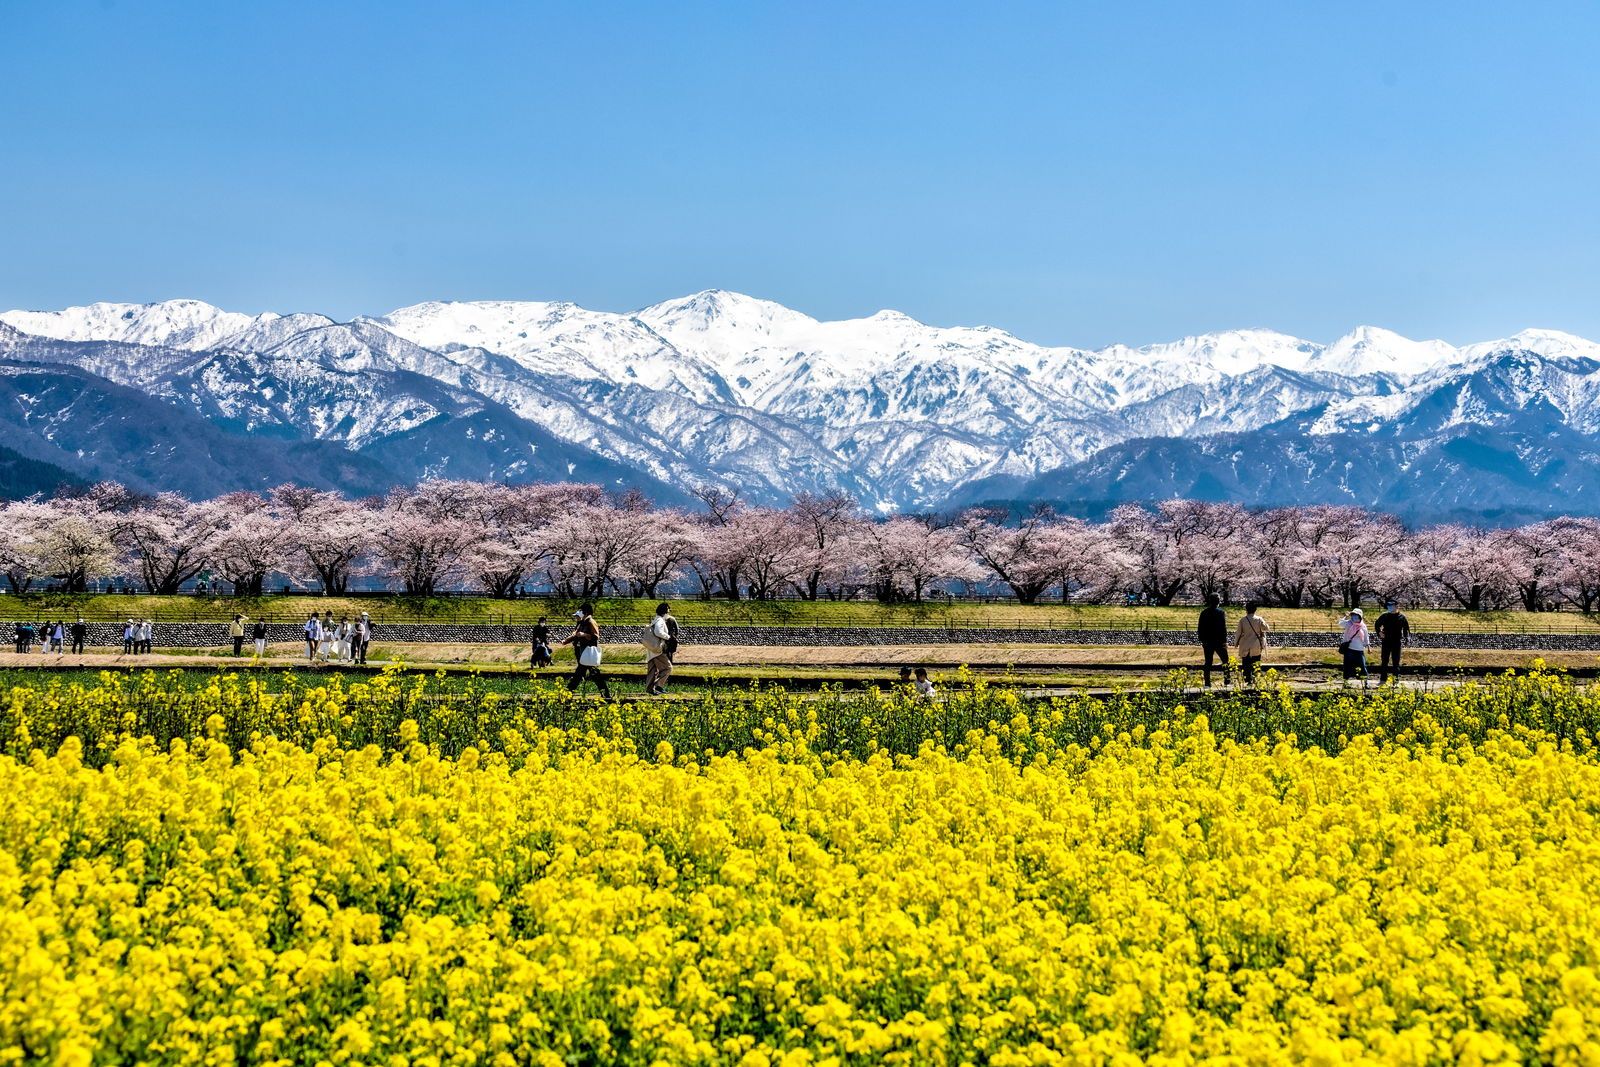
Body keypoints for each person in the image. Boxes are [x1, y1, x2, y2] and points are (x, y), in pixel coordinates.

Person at [561, 603, 611, 699]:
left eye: (582, 611)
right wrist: (566, 641)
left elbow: (596, 636)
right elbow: (576, 635)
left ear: (586, 612)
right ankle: (605, 694)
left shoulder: (591, 622)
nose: (580, 613)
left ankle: (568, 692)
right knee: (591, 674)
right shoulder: (583, 622)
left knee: (582, 673)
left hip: (588, 652)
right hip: (584, 652)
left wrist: (584, 635)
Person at [642, 602, 677, 695]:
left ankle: (650, 689)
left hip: (651, 649)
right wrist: (668, 637)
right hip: (657, 650)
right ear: (665, 611)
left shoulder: (655, 619)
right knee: (668, 668)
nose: (669, 612)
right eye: (668, 610)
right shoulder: (660, 620)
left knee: (652, 670)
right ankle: (658, 685)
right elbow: (658, 632)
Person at [1197, 594, 1231, 687]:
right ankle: (1227, 681)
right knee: (1225, 661)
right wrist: (1225, 641)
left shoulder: (1204, 612)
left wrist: (1202, 640)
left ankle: (1207, 683)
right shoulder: (1220, 613)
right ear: (1218, 601)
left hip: (1207, 641)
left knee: (1208, 662)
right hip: (1219, 641)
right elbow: (1223, 628)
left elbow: (1200, 627)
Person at [1374, 600, 1411, 685]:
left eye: (1392, 605)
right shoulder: (1384, 616)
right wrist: (1379, 632)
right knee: (1384, 661)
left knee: (1396, 662)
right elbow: (1377, 625)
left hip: (1397, 642)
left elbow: (1406, 629)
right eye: (1388, 606)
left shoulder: (1402, 617)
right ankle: (1383, 680)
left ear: (1397, 606)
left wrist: (1407, 638)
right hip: (1386, 641)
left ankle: (1396, 680)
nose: (1390, 607)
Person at [1235, 602, 1268, 685]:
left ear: (1246, 610)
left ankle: (1248, 680)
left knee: (1246, 663)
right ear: (1255, 610)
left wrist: (1236, 643)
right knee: (1256, 662)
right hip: (1256, 645)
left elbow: (1238, 633)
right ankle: (1255, 679)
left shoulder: (1242, 620)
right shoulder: (1259, 619)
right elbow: (1266, 628)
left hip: (1245, 644)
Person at [1338, 608, 1371, 683]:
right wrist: (1345, 616)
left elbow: (1366, 636)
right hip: (1349, 648)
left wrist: (1368, 646)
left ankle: (1366, 682)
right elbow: (1340, 623)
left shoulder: (1363, 626)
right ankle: (1345, 683)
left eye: (1356, 615)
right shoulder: (1348, 623)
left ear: (1360, 616)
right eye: (1353, 615)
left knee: (1362, 666)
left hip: (1359, 649)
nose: (1354, 617)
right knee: (1347, 666)